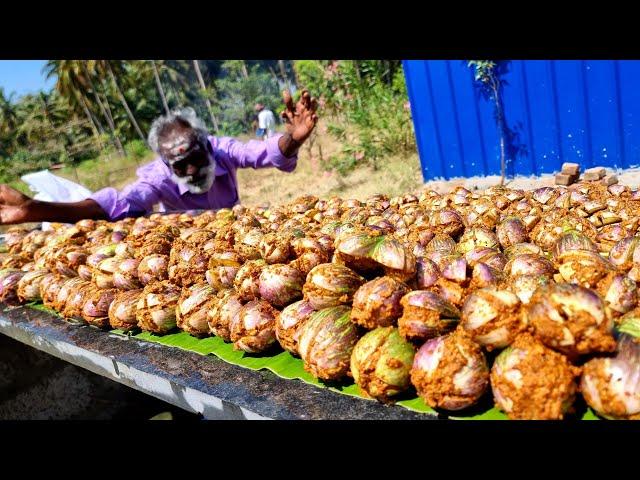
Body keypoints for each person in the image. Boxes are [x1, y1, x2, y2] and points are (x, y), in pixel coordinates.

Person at [0, 90, 318, 225]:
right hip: (188, 246)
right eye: (180, 165)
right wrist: (38, 209)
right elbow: (119, 203)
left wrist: (293, 137)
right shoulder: (158, 177)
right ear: (166, 164)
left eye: (196, 157)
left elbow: (262, 151)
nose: (192, 170)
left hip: (233, 229)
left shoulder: (221, 149)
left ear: (207, 145)